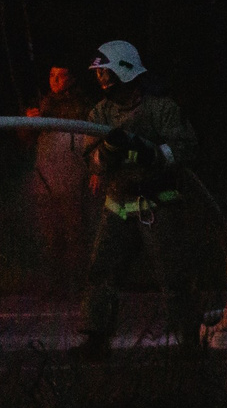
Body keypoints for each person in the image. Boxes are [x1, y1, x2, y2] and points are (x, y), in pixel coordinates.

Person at [72, 40, 200, 360]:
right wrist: (109, 152)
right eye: (99, 75)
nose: (102, 80)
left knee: (174, 274)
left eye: (106, 73)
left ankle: (188, 340)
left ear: (124, 71)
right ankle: (96, 339)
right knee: (102, 272)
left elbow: (185, 148)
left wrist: (153, 153)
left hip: (158, 203)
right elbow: (92, 161)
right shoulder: (99, 113)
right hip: (118, 203)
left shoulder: (160, 108)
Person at [23, 66, 92, 292]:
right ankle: (54, 285)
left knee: (76, 234)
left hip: (73, 178)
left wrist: (95, 171)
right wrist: (28, 122)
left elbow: (92, 141)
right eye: (51, 75)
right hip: (45, 179)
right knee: (49, 236)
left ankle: (78, 284)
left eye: (60, 75)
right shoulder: (43, 105)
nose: (54, 80)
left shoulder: (83, 105)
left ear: (71, 77)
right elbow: (26, 140)